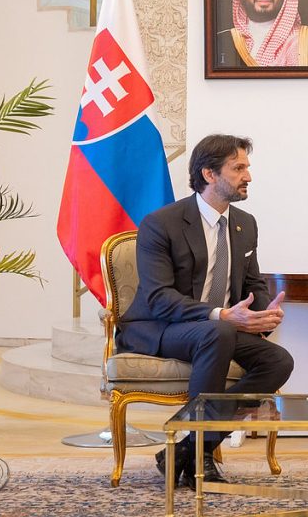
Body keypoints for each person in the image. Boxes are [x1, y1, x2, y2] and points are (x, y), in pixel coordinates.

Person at [117, 134, 294, 489]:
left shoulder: (245, 224)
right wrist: (222, 315)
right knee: (219, 331)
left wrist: (263, 313)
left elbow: (253, 283)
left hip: (217, 331)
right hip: (161, 326)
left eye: (247, 167)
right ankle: (202, 458)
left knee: (278, 361)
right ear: (209, 174)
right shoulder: (161, 223)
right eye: (238, 168)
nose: (248, 176)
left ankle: (188, 448)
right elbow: (158, 297)